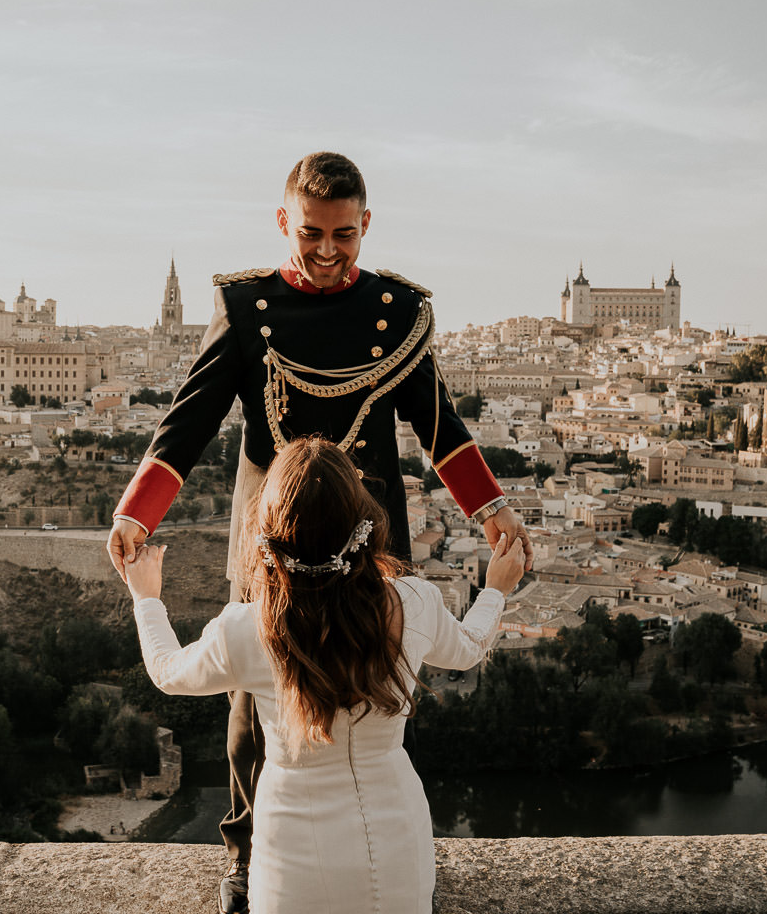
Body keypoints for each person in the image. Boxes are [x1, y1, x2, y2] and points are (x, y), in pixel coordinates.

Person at [106, 151, 532, 912]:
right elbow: (190, 420)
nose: (328, 250)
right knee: (251, 704)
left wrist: (489, 508)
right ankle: (246, 854)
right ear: (284, 223)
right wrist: (138, 511)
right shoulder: (245, 308)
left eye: (344, 233)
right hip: (271, 535)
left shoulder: (398, 313)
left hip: (370, 537)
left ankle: (382, 839)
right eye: (311, 233)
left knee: (380, 683)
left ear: (366, 226)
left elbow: (439, 423)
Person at [121, 438, 526, 913]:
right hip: (397, 843)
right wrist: (495, 589)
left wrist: (146, 597)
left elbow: (169, 673)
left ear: (270, 530)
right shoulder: (413, 602)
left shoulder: (247, 628)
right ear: (362, 524)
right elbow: (470, 648)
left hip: (290, 849)